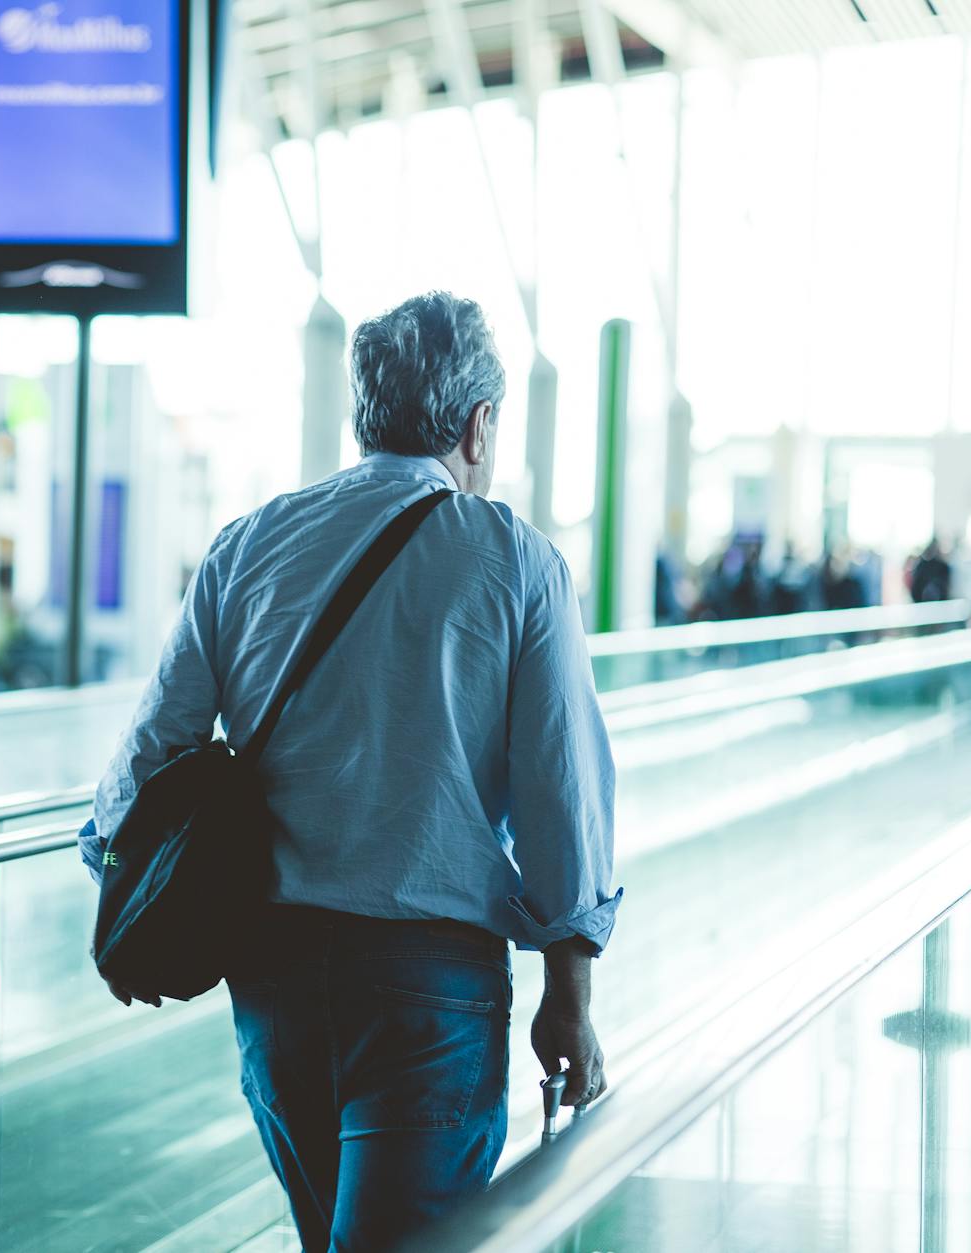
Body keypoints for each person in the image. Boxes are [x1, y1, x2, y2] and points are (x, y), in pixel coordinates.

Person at [80, 293, 619, 1249]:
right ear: (478, 423)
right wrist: (568, 1001)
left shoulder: (249, 546)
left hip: (274, 976)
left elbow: (139, 771)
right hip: (430, 982)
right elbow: (558, 793)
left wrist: (134, 891)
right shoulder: (515, 561)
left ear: (363, 414)